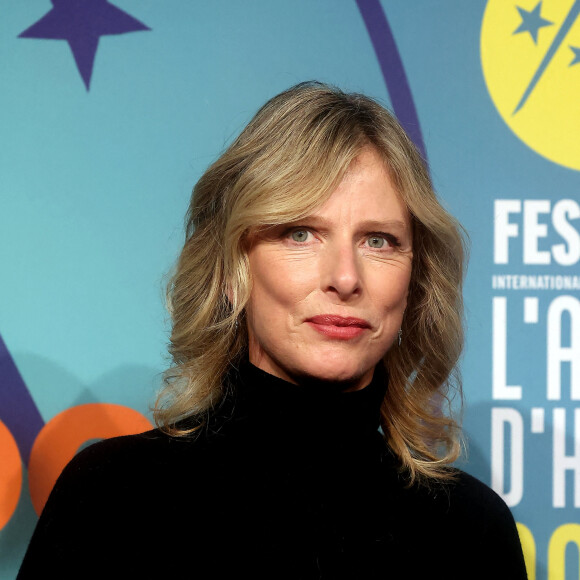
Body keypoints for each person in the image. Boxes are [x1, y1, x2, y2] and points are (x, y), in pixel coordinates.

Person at [18, 82, 527, 579]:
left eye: (379, 240)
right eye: (299, 234)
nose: (345, 278)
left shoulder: (471, 529)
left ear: (415, 279)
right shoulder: (112, 499)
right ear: (232, 268)